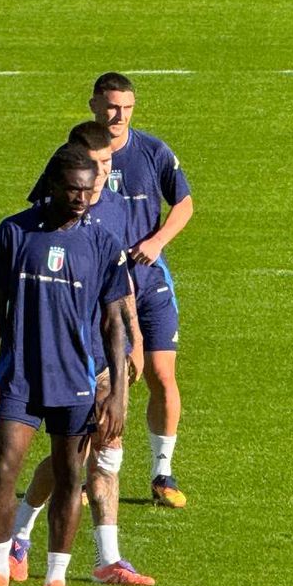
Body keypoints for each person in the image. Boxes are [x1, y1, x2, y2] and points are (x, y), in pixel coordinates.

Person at [0, 144, 131, 586]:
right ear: (54, 186)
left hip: (75, 379)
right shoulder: (14, 232)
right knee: (4, 471)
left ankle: (55, 581)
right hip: (19, 376)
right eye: (74, 189)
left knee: (69, 475)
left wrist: (117, 394)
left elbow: (115, 322)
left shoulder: (102, 242)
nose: (82, 198)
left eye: (88, 190)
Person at [9, 121, 154, 586]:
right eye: (98, 166)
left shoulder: (105, 208)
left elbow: (119, 285)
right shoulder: (50, 211)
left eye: (109, 166)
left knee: (108, 451)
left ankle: (108, 558)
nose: (105, 177)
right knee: (73, 457)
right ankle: (21, 533)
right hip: (66, 355)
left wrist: (132, 340)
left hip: (102, 353)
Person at [90, 71, 193, 509]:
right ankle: (99, 472)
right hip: (103, 289)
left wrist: (156, 242)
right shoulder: (79, 155)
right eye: (112, 106)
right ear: (94, 104)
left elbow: (184, 203)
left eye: (127, 107)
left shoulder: (153, 151)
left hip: (151, 283)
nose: (120, 115)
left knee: (162, 376)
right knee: (111, 381)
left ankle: (162, 473)